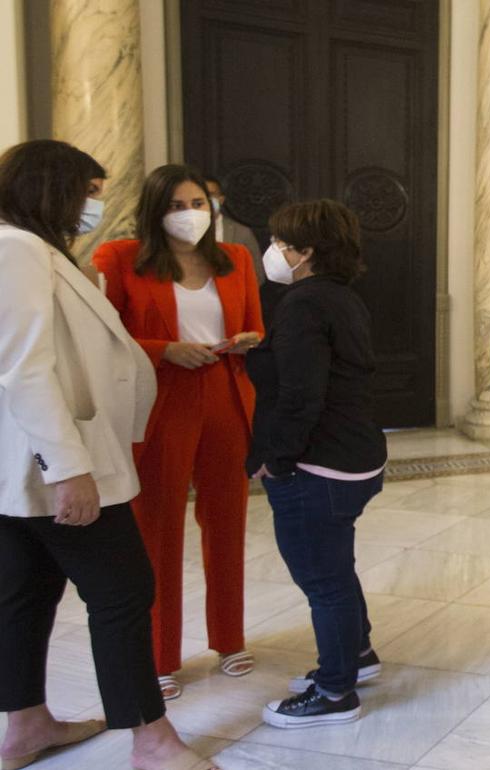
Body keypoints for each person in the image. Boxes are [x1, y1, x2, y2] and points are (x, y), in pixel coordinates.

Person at [0, 140, 217, 770]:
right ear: (51, 188)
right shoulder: (17, 250)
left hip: (29, 464)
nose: (94, 204)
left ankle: (27, 726)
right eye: (88, 191)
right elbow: (25, 370)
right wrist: (69, 470)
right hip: (55, 462)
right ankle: (150, 741)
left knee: (26, 591)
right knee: (123, 593)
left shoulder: (34, 251)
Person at [93, 164, 264, 700]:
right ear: (153, 210)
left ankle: (229, 638)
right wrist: (163, 350)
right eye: (176, 205)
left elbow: (258, 325)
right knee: (157, 526)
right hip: (162, 396)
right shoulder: (120, 258)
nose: (190, 214)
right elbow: (105, 335)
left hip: (225, 392)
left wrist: (246, 339)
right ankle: (160, 652)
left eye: (198, 204)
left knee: (227, 519)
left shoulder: (234, 257)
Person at [246, 200, 388, 728]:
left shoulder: (302, 303)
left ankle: (334, 693)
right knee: (335, 567)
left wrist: (275, 461)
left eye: (283, 243)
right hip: (355, 457)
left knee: (322, 581)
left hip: (320, 465)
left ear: (306, 251)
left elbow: (301, 396)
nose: (275, 251)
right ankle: (357, 655)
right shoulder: (339, 297)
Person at [204, 175, 262, 283]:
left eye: (211, 195)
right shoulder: (184, 232)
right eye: (202, 194)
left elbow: (257, 275)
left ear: (221, 199)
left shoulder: (242, 232)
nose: (206, 199)